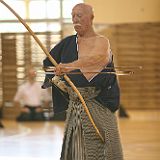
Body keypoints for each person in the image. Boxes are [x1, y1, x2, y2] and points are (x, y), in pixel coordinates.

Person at [42, 3, 123, 160]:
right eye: (73, 16)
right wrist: (59, 81)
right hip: (76, 105)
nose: (75, 19)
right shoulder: (67, 43)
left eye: (79, 15)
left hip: (98, 103)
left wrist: (69, 66)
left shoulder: (101, 41)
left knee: (102, 148)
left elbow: (97, 58)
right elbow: (49, 65)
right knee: (76, 150)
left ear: (91, 18)